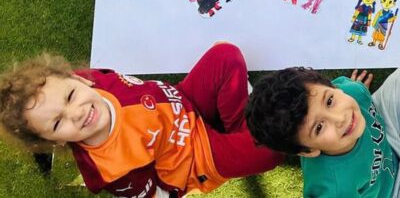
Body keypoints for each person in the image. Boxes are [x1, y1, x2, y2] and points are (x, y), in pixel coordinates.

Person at [0, 43, 283, 196]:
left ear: (78, 79)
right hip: (197, 156)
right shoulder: (108, 169)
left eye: (70, 96)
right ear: (52, 141)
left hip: (185, 101)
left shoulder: (94, 79)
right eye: (58, 123)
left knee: (226, 55)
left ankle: (240, 128)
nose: (77, 113)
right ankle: (241, 137)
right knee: (269, 152)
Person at [245, 54, 400, 197]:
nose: (340, 118)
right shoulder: (332, 187)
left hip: (384, 131)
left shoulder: (351, 92)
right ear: (308, 151)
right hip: (393, 192)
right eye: (319, 127)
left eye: (330, 100)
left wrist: (357, 91)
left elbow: (344, 94)